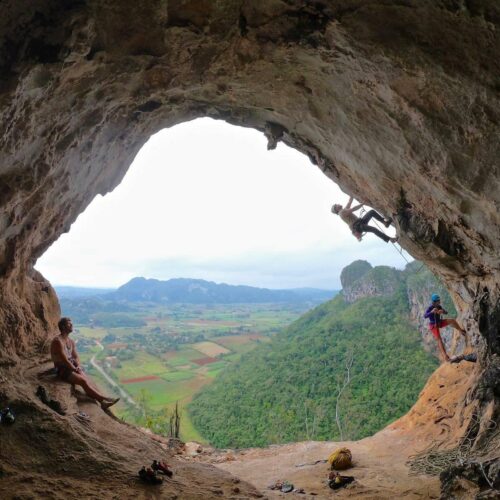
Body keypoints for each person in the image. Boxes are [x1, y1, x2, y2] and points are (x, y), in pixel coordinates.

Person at [50, 317, 119, 410]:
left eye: (71, 323)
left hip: (71, 366)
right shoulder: (57, 341)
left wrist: (78, 365)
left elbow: (75, 356)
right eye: (69, 324)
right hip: (62, 369)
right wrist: (74, 368)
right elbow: (64, 360)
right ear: (63, 326)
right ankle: (104, 399)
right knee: (83, 381)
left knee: (85, 378)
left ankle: (102, 402)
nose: (71, 325)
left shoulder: (70, 341)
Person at [331, 196, 397, 243]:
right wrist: (363, 203)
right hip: (358, 227)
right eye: (336, 205)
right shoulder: (341, 213)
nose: (338, 204)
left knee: (371, 212)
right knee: (373, 229)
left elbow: (349, 202)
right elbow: (353, 209)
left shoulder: (343, 210)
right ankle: (390, 239)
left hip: (360, 222)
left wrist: (352, 194)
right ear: (336, 209)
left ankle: (384, 223)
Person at [424, 294, 466, 362]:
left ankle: (461, 331)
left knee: (452, 320)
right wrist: (432, 312)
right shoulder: (430, 308)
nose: (439, 302)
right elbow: (425, 316)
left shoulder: (439, 306)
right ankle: (445, 356)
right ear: (434, 302)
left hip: (439, 322)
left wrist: (442, 311)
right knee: (439, 339)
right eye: (438, 301)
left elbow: (446, 312)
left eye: (439, 300)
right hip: (433, 325)